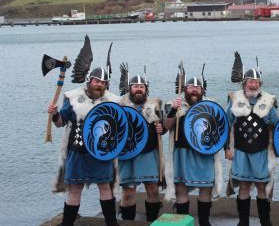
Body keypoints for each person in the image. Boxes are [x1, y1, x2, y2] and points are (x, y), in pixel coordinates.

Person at [48, 36, 121, 226]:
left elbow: (122, 125)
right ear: (89, 81)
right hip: (78, 152)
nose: (99, 85)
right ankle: (67, 224)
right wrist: (55, 114)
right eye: (96, 81)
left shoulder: (113, 101)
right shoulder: (73, 98)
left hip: (102, 153)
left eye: (103, 83)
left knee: (105, 187)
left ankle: (112, 224)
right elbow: (60, 123)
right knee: (75, 189)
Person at [164, 66, 223, 226]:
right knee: (181, 188)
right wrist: (173, 111)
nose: (194, 90)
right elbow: (167, 126)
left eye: (198, 88)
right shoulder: (174, 104)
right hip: (182, 153)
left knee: (205, 188)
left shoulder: (210, 106)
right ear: (185, 89)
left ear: (202, 90)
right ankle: (183, 221)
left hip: (204, 152)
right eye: (191, 87)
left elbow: (220, 129)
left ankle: (204, 222)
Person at [225, 52, 279, 226]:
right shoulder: (235, 99)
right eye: (251, 81)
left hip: (261, 151)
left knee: (262, 187)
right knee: (244, 186)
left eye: (256, 82)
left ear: (260, 84)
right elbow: (227, 124)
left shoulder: (268, 101)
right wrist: (227, 148)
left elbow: (277, 124)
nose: (253, 84)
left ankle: (265, 221)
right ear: (245, 83)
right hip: (240, 150)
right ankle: (243, 222)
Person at [118, 64, 165, 222]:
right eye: (135, 86)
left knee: (152, 189)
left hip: (149, 153)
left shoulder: (155, 105)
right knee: (128, 192)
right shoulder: (120, 105)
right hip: (128, 155)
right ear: (129, 88)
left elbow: (164, 127)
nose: (139, 89)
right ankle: (128, 223)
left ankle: (152, 222)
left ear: (146, 89)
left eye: (142, 86)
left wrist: (161, 127)